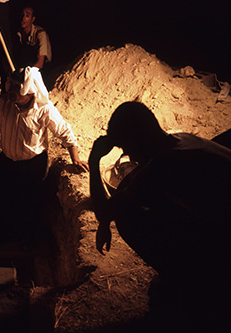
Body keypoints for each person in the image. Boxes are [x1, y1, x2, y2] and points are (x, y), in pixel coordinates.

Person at [89, 101, 231, 318]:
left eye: (126, 148)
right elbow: (132, 183)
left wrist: (93, 160)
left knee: (129, 219)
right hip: (218, 217)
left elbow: (106, 209)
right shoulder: (179, 141)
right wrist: (106, 220)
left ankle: (191, 283)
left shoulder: (164, 166)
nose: (130, 155)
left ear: (137, 140)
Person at [0, 67, 88, 249]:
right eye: (10, 88)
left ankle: (28, 240)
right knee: (0, 201)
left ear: (30, 92)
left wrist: (75, 158)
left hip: (34, 166)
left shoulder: (44, 111)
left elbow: (65, 132)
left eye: (17, 91)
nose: (11, 94)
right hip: (7, 161)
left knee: (30, 204)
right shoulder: (3, 103)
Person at [14, 4, 52, 71]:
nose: (23, 18)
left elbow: (40, 63)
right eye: (22, 14)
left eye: (27, 16)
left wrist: (26, 73)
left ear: (32, 19)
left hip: (43, 68)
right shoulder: (18, 34)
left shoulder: (40, 34)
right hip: (28, 65)